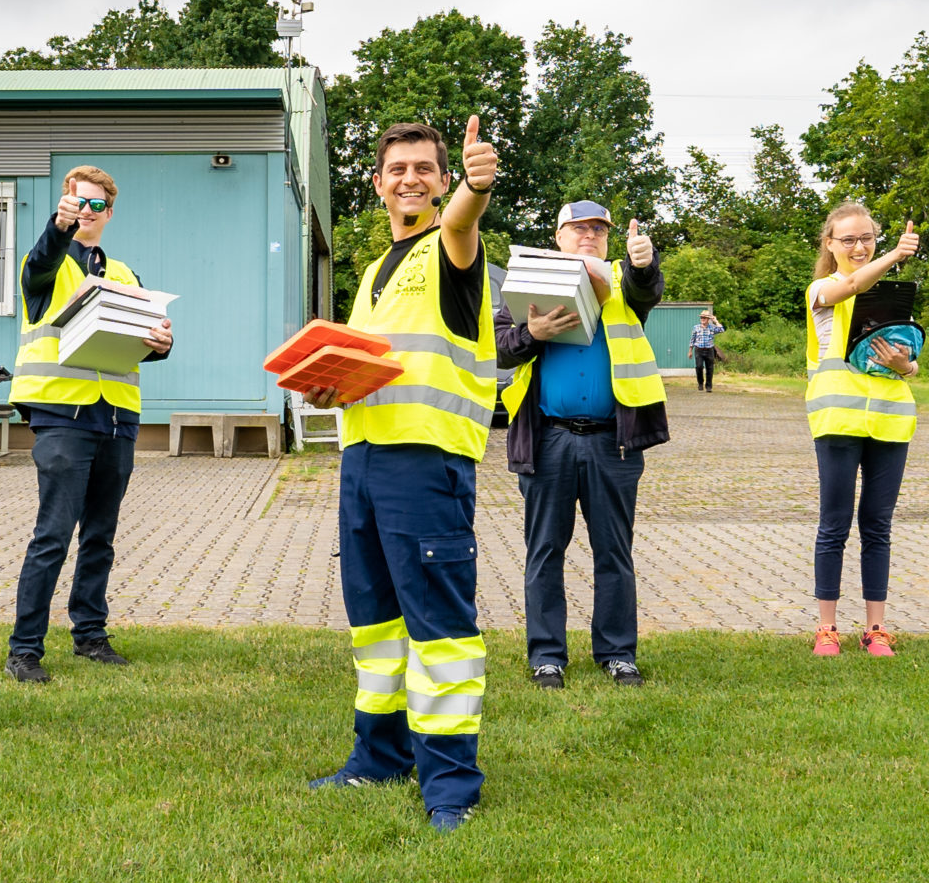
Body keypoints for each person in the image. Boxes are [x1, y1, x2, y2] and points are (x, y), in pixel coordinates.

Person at [298, 117, 502, 832]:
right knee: (377, 625)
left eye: (425, 167)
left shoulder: (452, 244)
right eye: (397, 168)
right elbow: (379, 369)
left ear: (443, 181)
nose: (409, 177)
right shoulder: (374, 273)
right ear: (378, 183)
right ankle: (379, 757)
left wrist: (477, 187)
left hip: (426, 462)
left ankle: (450, 787)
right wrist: (331, 387)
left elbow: (464, 224)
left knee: (440, 630)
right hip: (364, 460)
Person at [2, 165, 175, 680]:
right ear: (64, 204)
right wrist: (58, 229)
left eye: (97, 205)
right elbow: (41, 259)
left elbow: (149, 337)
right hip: (62, 416)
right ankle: (25, 650)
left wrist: (163, 343)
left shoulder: (123, 273)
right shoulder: (46, 265)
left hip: (117, 418)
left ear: (109, 213)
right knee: (53, 534)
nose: (87, 212)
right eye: (79, 202)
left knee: (101, 533)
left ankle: (91, 636)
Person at [494, 203, 666, 688]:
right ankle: (547, 655)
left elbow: (646, 288)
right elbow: (501, 345)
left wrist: (642, 261)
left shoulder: (620, 281)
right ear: (559, 235)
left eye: (598, 229)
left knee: (614, 551)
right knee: (544, 550)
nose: (589, 235)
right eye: (578, 228)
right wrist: (533, 332)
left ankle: (617, 653)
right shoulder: (530, 279)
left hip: (614, 443)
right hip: (549, 439)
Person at [805, 201, 920, 658]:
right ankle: (827, 628)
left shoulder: (891, 297)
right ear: (830, 245)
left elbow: (908, 362)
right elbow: (851, 284)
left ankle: (876, 628)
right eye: (848, 239)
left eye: (866, 237)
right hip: (838, 420)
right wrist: (893, 254)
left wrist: (903, 365)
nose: (859, 246)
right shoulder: (822, 288)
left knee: (878, 525)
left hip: (891, 421)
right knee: (834, 524)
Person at [690, 306, 724, 391]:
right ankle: (700, 383)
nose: (703, 319)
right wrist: (690, 350)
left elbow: (722, 329)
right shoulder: (696, 327)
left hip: (709, 350)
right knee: (699, 366)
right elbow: (692, 339)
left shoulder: (712, 327)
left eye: (704, 318)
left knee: (710, 368)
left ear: (708, 319)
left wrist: (715, 321)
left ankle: (709, 386)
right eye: (701, 317)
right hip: (699, 350)